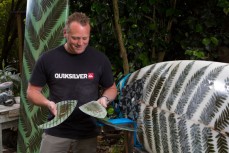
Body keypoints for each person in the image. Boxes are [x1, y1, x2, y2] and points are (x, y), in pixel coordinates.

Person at [27, 12, 117, 153]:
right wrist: (47, 103)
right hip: (56, 129)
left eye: (85, 38)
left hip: (87, 131)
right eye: (75, 38)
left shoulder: (100, 59)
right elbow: (32, 92)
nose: (80, 43)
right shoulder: (48, 59)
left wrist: (105, 99)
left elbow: (111, 88)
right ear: (65, 33)